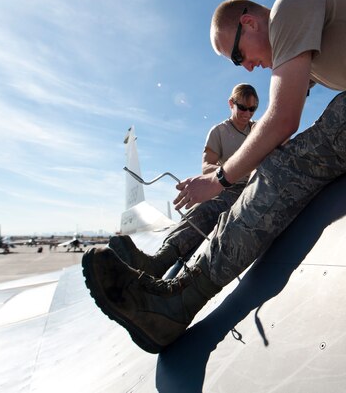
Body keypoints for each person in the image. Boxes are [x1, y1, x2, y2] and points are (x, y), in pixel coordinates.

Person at [82, 0, 346, 353]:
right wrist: (236, 176)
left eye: (238, 54)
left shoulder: (291, 7)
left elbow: (282, 119)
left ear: (250, 21)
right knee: (266, 171)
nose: (246, 68)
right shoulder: (305, 45)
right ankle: (162, 265)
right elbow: (281, 129)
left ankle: (174, 304)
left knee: (278, 171)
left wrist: (220, 178)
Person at [104, 83, 259, 278]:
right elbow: (207, 166)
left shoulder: (258, 129)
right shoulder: (219, 132)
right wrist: (232, 171)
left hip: (257, 186)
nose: (247, 114)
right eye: (242, 108)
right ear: (231, 103)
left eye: (252, 109)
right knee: (203, 212)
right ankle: (159, 262)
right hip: (228, 186)